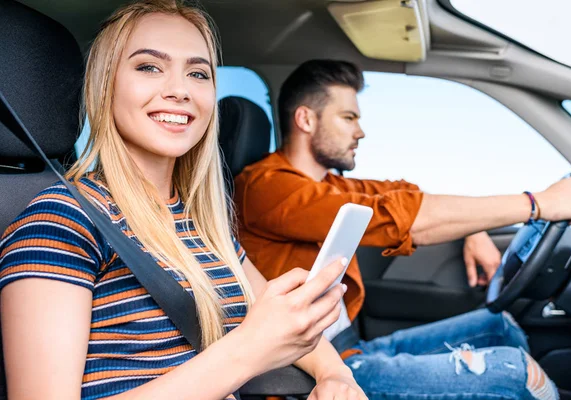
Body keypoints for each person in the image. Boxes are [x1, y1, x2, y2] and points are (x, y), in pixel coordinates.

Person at [0, 8, 367, 400]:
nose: (181, 90)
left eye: (198, 73)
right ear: (104, 85)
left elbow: (285, 320)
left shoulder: (199, 223)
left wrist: (336, 375)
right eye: (149, 67)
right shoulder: (60, 222)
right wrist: (250, 350)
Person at [234, 59, 571, 400]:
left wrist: (472, 231)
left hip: (347, 346)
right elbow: (401, 218)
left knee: (500, 325)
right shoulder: (266, 188)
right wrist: (538, 203)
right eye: (348, 117)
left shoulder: (332, 186)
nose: (360, 131)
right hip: (310, 369)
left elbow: (408, 196)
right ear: (306, 120)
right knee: (515, 373)